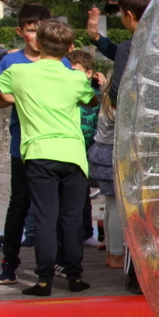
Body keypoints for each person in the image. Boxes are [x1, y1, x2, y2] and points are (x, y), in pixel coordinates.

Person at [0, 19, 102, 295]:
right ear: (69, 48)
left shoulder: (19, 72)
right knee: (71, 218)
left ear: (38, 43)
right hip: (72, 155)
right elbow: (91, 100)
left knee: (45, 217)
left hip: (39, 153)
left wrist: (14, 97)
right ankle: (75, 276)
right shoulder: (76, 78)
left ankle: (44, 280)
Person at [89, 0, 153, 270]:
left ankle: (115, 253)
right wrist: (97, 39)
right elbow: (119, 53)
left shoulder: (131, 46)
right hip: (154, 135)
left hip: (125, 141)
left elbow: (118, 89)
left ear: (129, 15)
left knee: (115, 202)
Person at [0, 4, 60, 284]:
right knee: (19, 203)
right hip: (22, 147)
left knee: (53, 207)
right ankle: (9, 262)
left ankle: (58, 262)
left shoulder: (61, 61)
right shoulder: (11, 63)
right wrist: (19, 97)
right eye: (32, 30)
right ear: (20, 31)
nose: (37, 36)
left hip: (54, 146)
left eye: (42, 30)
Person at [65, 49, 103, 248]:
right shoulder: (65, 92)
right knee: (69, 195)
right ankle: (71, 235)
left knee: (84, 193)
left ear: (88, 73)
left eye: (75, 71)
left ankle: (87, 233)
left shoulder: (96, 95)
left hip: (88, 151)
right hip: (69, 149)